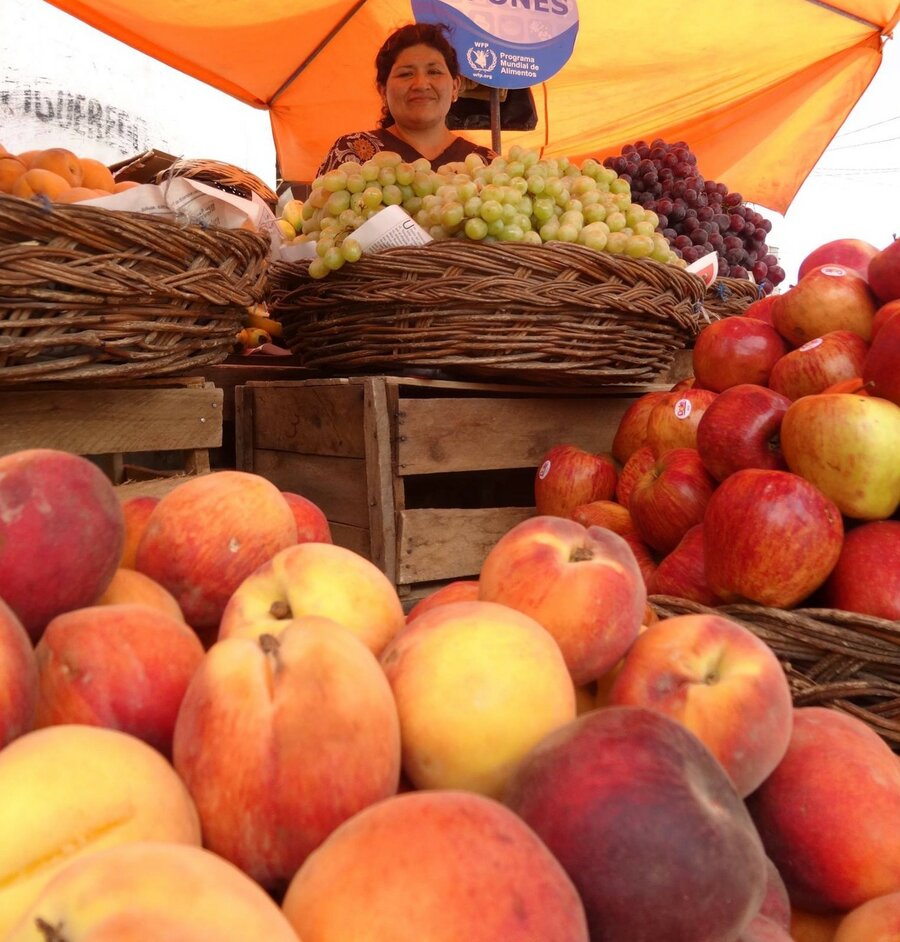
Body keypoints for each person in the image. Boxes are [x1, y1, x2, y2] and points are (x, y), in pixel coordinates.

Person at [316, 22, 496, 177]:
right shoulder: (353, 152)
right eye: (406, 74)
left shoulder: (487, 165)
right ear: (382, 91)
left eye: (434, 72)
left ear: (455, 86)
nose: (421, 84)